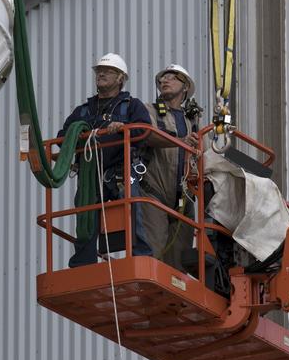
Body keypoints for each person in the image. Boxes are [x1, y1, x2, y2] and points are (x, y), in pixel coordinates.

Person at [57, 53, 154, 267]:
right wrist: (78, 135)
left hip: (120, 171)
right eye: (98, 70)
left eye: (107, 71)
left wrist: (123, 128)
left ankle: (141, 258)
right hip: (91, 175)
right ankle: (83, 264)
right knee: (85, 216)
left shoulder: (130, 106)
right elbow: (62, 138)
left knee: (132, 210)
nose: (100, 74)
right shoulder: (83, 111)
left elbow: (144, 130)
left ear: (120, 78)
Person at [141, 64, 203, 269]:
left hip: (182, 197)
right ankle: (148, 294)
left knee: (179, 261)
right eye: (162, 78)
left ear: (185, 87)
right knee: (153, 250)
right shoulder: (149, 111)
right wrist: (180, 141)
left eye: (172, 77)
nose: (164, 80)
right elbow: (146, 134)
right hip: (154, 191)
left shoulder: (193, 122)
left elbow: (205, 157)